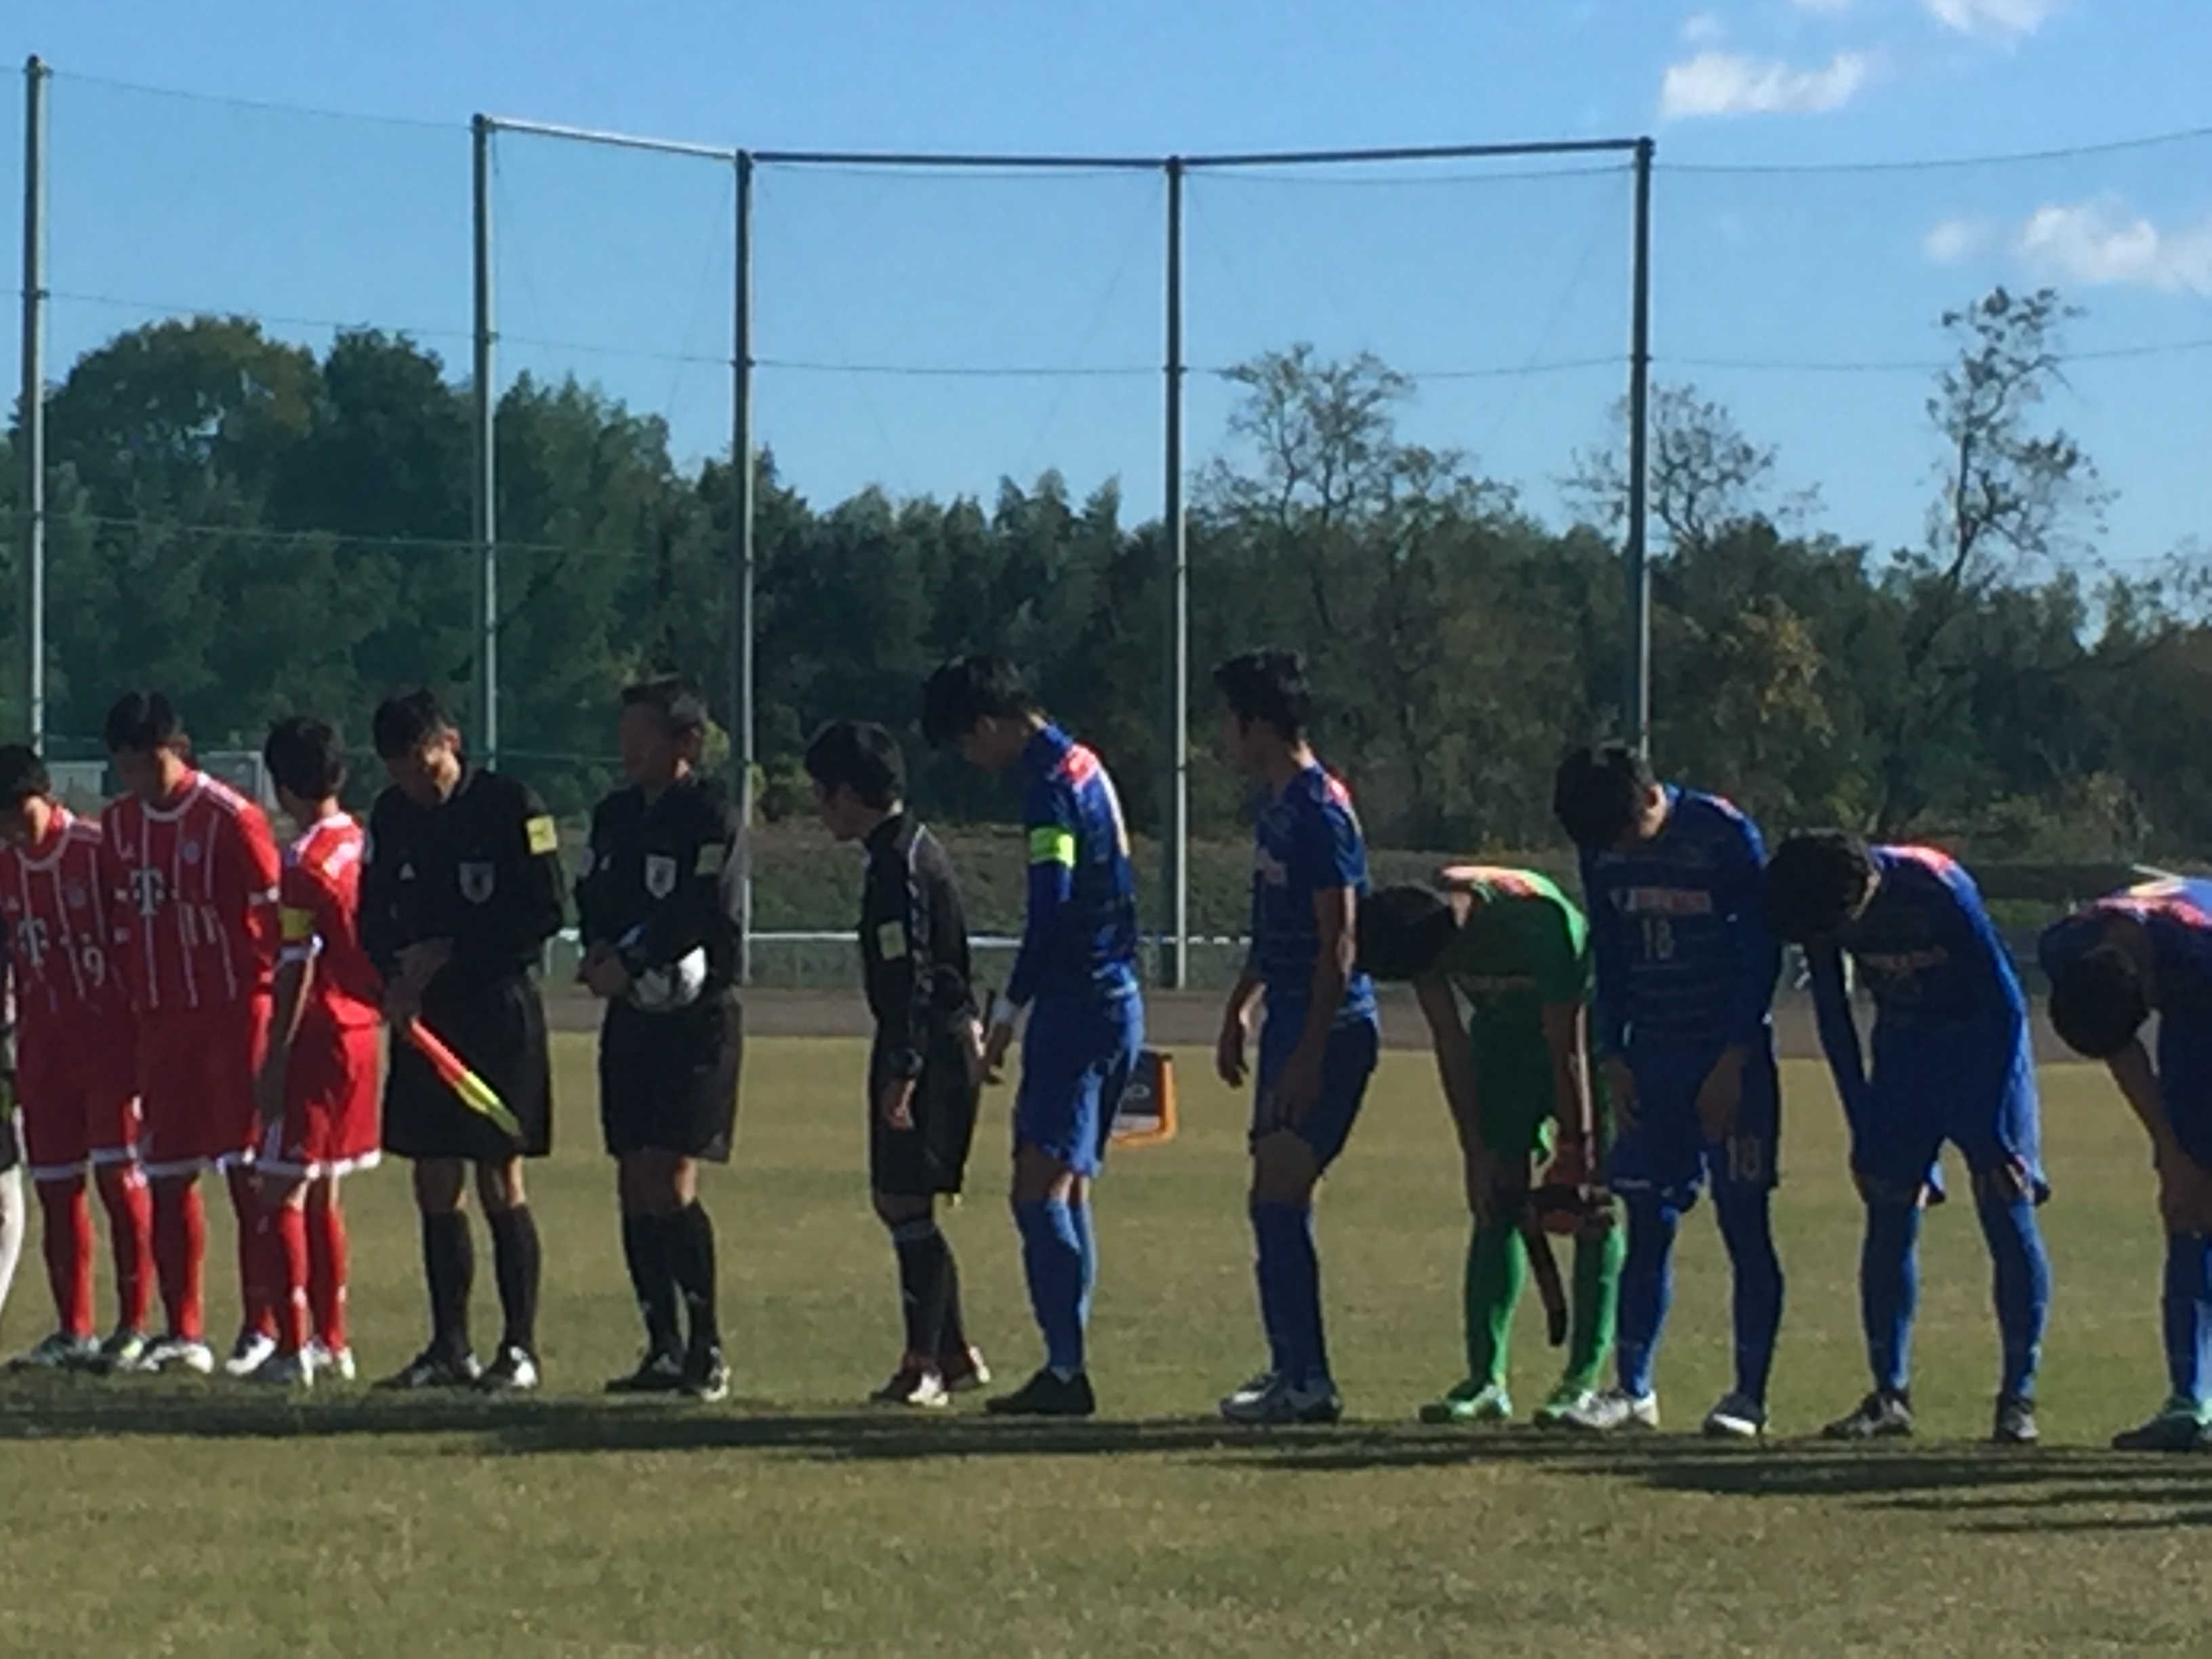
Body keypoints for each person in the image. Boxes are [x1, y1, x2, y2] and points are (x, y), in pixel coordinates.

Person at [1765, 832, 2049, 1444]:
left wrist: (1995, 1127)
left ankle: (2018, 1398)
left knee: (2006, 1205)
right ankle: (1889, 1395)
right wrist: (1862, 1122)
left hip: (1983, 1051)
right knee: (1889, 1211)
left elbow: (2005, 1007)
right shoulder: (1814, 897)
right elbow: (1834, 1018)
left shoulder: (1936, 886)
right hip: (1904, 1054)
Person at [921, 655, 1143, 1418]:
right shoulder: (1085, 763)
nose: (972, 760)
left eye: (966, 744)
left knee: (1037, 1189)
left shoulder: (1050, 789)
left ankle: (1066, 1369)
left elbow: (1050, 908)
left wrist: (1008, 1013)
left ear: (989, 725)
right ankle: (1066, 1361)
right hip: (1117, 994)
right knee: (1068, 1186)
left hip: (1078, 1001)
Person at [1550, 745, 1785, 1437]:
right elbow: (1610, 951)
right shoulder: (1603, 846)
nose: (1620, 852)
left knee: (1743, 1220)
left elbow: (1760, 955)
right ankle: (1633, 1390)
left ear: (1649, 799)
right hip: (1650, 1056)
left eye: (1626, 835)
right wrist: (1614, 1053)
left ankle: (1748, 1396)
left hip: (1726, 1059)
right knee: (1647, 1217)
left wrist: (1733, 1059)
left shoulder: (1724, 835)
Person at [1359, 873, 1622, 1427]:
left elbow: (1567, 1045)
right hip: (1503, 1043)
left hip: (1587, 1040)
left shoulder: (1538, 923)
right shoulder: (1416, 923)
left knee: (1591, 1205)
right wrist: (1474, 1149)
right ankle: (1485, 1381)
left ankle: (1581, 1380)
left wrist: (1575, 1148)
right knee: (1495, 1201)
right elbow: (1450, 1038)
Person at [361, 691, 564, 1393]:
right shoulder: (391, 816)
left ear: (449, 742)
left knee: (499, 1175)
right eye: (401, 774)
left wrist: (451, 948)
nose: (417, 786)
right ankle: (450, 1345)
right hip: (426, 1017)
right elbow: (372, 913)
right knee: (432, 1176)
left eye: (425, 768)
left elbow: (544, 911)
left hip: (497, 1013)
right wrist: (394, 975)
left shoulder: (514, 806)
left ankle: (520, 1348)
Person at [1210, 651, 1378, 1426]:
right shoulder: (1275, 805)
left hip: (1330, 1030)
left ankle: (1308, 1379)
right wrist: (1240, 1005)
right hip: (1286, 1021)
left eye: (1229, 720)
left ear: (1259, 724)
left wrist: (1310, 1054)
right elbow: (1272, 923)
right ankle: (1293, 1369)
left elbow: (1339, 942)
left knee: (1280, 1190)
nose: (1222, 735)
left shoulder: (1320, 808)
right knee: (1271, 1197)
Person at [805, 719, 989, 1408]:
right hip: (923, 1040)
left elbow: (914, 970)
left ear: (850, 793)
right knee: (901, 1199)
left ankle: (925, 1365)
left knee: (905, 1200)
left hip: (924, 1047)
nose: (820, 809)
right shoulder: (905, 850)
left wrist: (906, 1068)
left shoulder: (899, 865)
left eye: (823, 794)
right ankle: (955, 1353)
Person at [100, 693, 282, 1378]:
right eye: (124, 767)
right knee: (168, 1172)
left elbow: (275, 924)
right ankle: (184, 1330)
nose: (135, 780)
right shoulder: (119, 825)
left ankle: (262, 1327)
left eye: (144, 765)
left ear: (173, 751)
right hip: (160, 1019)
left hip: (231, 1014)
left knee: (247, 1171)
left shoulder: (232, 819)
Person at [577, 677, 745, 1405]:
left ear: (687, 742)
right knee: (632, 1176)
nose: (629, 748)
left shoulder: (711, 817)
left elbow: (701, 909)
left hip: (695, 1018)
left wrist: (639, 957)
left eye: (643, 735)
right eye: (624, 735)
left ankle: (708, 1347)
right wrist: (598, 951)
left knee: (670, 1173)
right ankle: (661, 1344)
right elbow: (593, 895)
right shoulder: (614, 815)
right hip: (631, 1017)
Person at [2041, 878, 2212, 1452]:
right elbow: (2114, 1039)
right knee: (2187, 1210)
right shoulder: (2068, 947)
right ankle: (2188, 1401)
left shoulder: (2201, 950)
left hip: (2199, 988)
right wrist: (2171, 1151)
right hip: (2190, 1011)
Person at [0, 745, 155, 1370]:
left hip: (108, 1043)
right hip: (42, 1045)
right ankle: (74, 1328)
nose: (15, 831)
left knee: (120, 1180)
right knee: (57, 1186)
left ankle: (135, 1325)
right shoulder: (6, 869)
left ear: (44, 798)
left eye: (20, 815)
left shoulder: (95, 852)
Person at [246, 718, 383, 1389]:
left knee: (278, 1189)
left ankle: (293, 1346)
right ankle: (333, 1340)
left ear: (283, 786)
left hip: (317, 1033)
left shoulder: (301, 863)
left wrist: (274, 1055)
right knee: (324, 1189)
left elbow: (297, 962)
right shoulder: (360, 842)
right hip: (361, 1032)